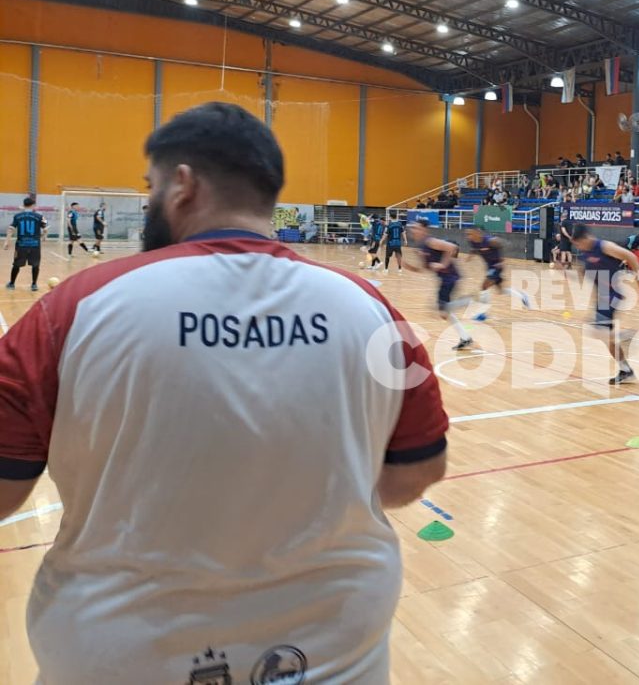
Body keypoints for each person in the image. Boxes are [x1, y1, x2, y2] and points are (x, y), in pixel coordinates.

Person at [0, 102, 448, 682]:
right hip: (333, 652)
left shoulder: (72, 308)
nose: (149, 202)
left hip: (118, 654)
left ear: (183, 185)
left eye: (151, 186)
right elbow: (417, 471)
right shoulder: (369, 308)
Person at [569, 224, 639, 385]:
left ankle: (626, 336)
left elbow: (631, 256)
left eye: (577, 243)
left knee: (597, 332)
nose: (577, 246)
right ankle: (626, 370)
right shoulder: (585, 252)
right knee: (606, 340)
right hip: (602, 298)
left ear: (585, 238)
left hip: (613, 295)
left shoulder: (604, 246)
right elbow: (586, 275)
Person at [403, 218, 474, 352]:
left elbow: (452, 248)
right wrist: (408, 266)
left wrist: (443, 264)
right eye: (413, 228)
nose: (413, 230)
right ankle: (465, 338)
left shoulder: (431, 241)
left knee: (443, 310)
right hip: (444, 279)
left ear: (424, 230)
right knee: (444, 313)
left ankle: (469, 301)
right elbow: (424, 268)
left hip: (450, 278)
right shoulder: (422, 246)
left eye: (416, 228)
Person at [465, 226, 529, 320]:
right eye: (467, 234)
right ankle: (522, 296)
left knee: (484, 286)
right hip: (489, 267)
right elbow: (474, 249)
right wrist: (470, 256)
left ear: (477, 233)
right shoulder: (472, 242)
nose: (468, 236)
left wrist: (502, 261)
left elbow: (500, 245)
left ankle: (483, 313)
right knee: (501, 290)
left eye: (470, 234)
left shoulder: (489, 241)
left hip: (496, 266)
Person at [4, 196, 48, 291]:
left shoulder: (17, 216)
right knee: (35, 265)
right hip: (35, 245)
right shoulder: (40, 216)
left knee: (16, 264)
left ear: (24, 205)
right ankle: (34, 285)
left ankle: (11, 284)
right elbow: (45, 229)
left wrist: (7, 242)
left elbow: (10, 229)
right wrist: (44, 237)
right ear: (33, 205)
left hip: (21, 245)